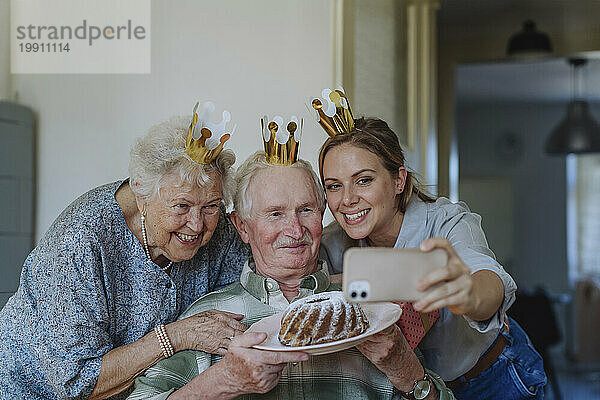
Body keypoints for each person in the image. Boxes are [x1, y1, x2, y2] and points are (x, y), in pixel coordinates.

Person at [128, 150, 455, 400]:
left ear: (322, 213)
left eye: (306, 210)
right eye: (274, 214)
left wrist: (407, 370)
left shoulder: (374, 306)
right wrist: (222, 381)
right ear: (242, 226)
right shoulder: (204, 321)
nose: (294, 229)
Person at [0, 105, 250, 399]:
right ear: (142, 195)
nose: (196, 224)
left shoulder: (217, 226)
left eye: (210, 206)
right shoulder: (81, 241)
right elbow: (79, 382)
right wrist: (177, 335)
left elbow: (254, 287)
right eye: (181, 206)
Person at [317, 115, 547, 399]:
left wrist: (471, 296)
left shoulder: (447, 223)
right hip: (420, 391)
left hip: (493, 377)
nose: (347, 199)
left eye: (363, 180)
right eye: (334, 185)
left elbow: (487, 278)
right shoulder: (331, 244)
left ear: (398, 180)